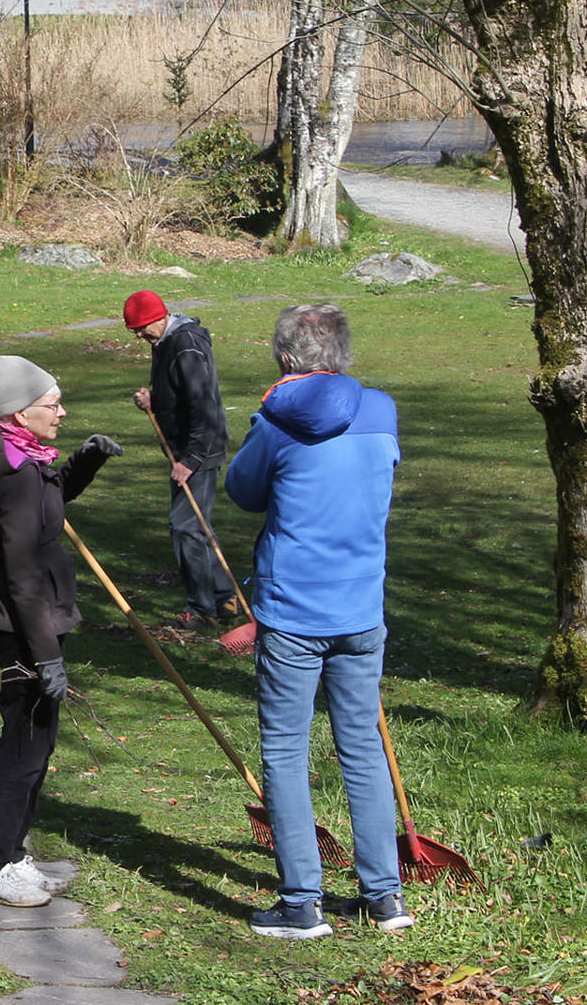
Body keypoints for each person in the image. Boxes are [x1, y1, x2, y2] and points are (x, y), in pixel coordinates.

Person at [226, 304, 412, 939]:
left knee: (284, 749)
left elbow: (242, 492)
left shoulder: (275, 421)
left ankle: (302, 902)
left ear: (285, 359)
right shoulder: (382, 411)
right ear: (345, 356)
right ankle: (384, 896)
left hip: (294, 610)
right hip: (362, 605)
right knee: (361, 746)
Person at [0, 355, 122, 907]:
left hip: (37, 618)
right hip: (26, 623)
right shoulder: (15, 474)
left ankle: (13, 853)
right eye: (52, 404)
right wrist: (46, 655)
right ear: (22, 413)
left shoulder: (20, 457)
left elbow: (50, 503)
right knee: (22, 745)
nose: (62, 411)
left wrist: (86, 461)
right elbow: (21, 575)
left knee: (39, 741)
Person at [125, 289, 237, 629]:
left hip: (199, 450)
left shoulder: (186, 346)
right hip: (184, 449)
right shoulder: (165, 342)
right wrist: (154, 399)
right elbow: (178, 392)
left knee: (186, 526)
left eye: (143, 328)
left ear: (161, 317)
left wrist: (190, 460)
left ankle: (202, 607)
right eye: (135, 331)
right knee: (196, 524)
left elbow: (204, 407)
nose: (140, 336)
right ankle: (224, 598)